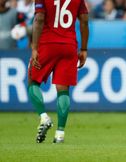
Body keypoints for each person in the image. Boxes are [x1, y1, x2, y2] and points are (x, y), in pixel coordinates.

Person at [28, 0, 89, 143]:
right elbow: (84, 21)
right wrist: (84, 49)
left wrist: (35, 47)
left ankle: (44, 117)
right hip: (68, 45)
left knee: (32, 80)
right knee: (63, 89)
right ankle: (60, 134)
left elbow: (39, 18)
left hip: (47, 44)